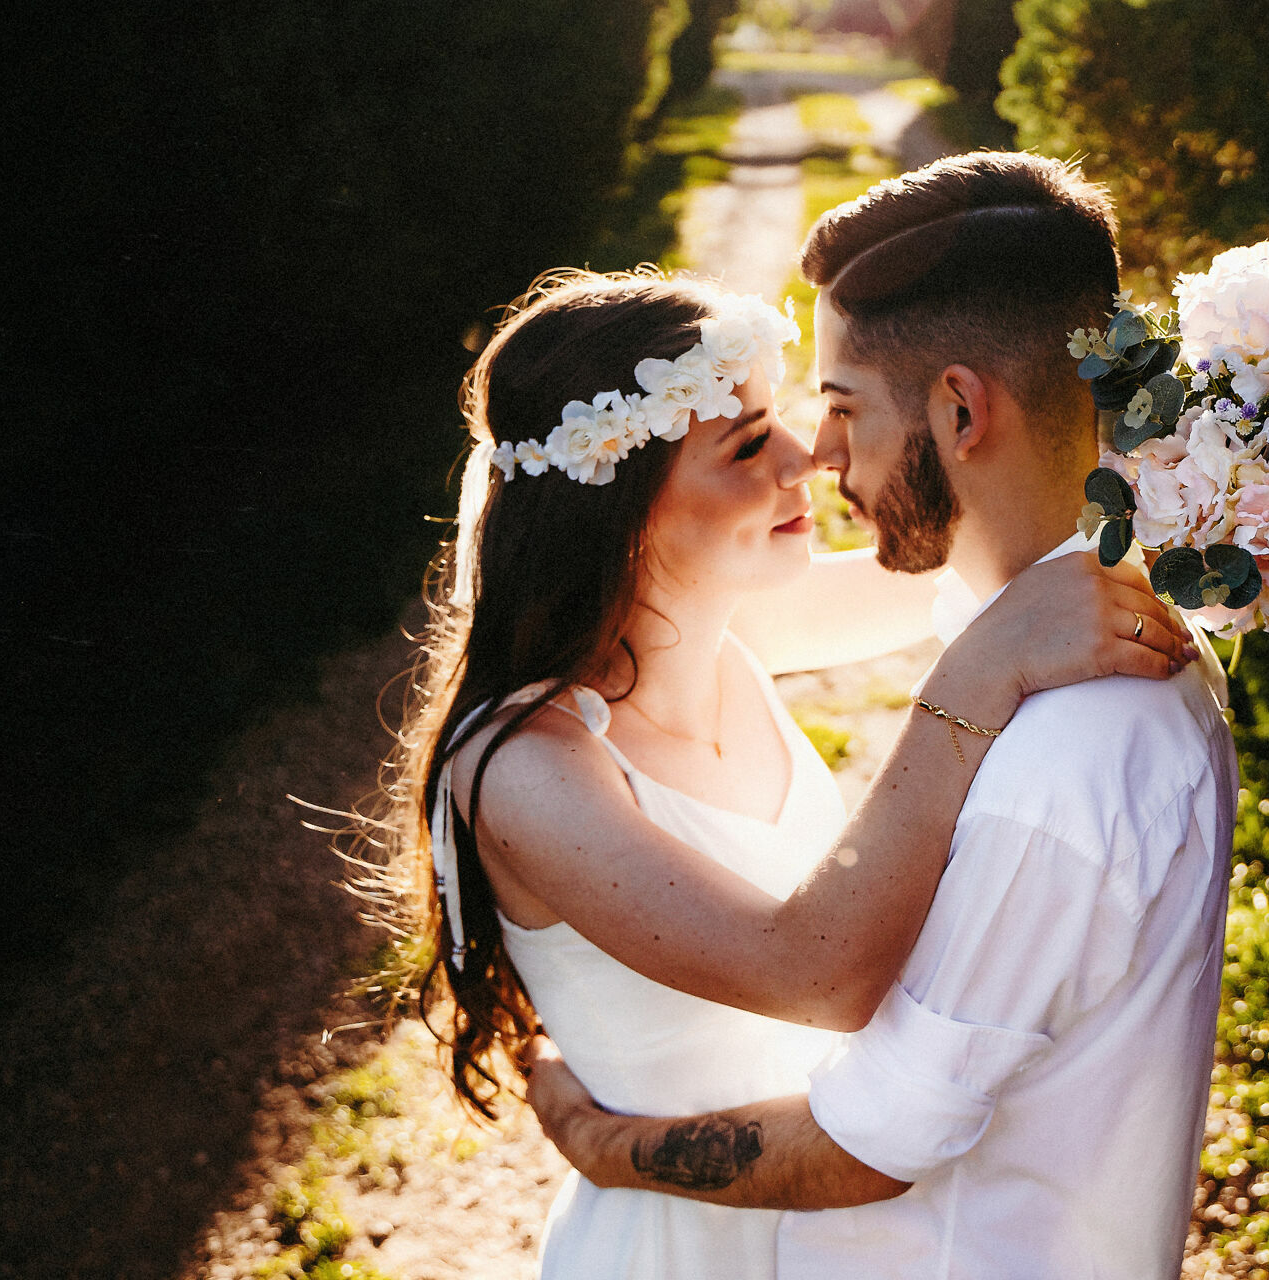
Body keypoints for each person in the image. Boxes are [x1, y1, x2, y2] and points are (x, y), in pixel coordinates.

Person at [382, 266, 1192, 1279]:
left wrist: (1227, 448)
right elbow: (814, 973)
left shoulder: (722, 629)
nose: (807, 456)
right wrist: (979, 675)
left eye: (787, 419)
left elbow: (1006, 556)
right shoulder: (524, 766)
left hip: (846, 1235)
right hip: (685, 1247)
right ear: (624, 508)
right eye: (748, 441)